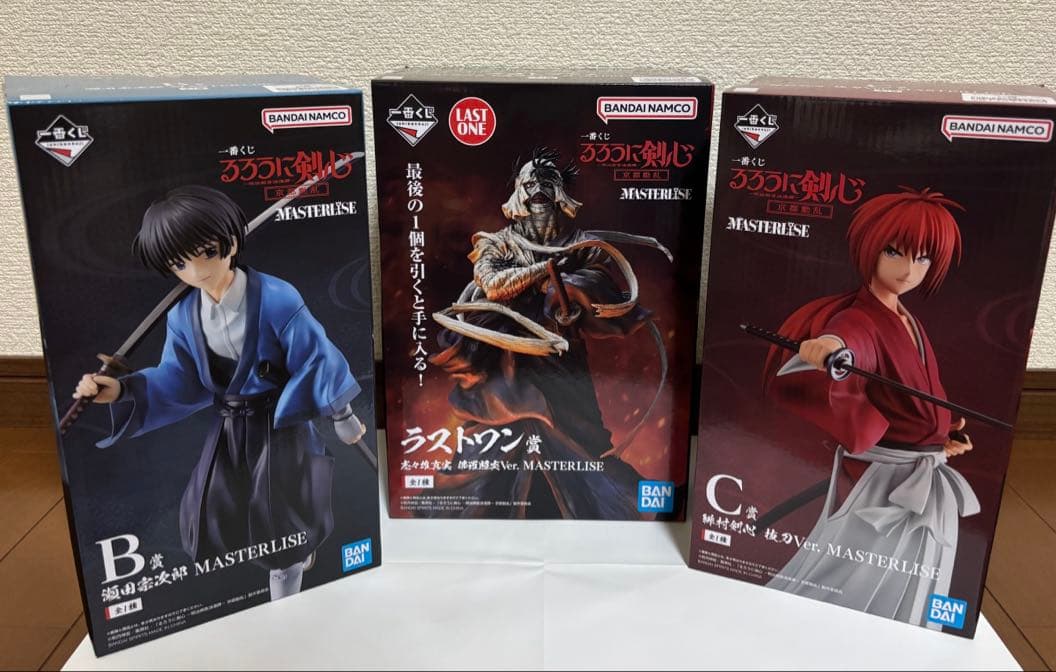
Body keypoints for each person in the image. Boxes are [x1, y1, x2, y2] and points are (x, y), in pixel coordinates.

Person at [73, 185, 366, 599]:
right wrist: (120, 391)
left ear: (230, 243)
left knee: (281, 513)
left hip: (280, 422)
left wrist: (343, 414)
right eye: (179, 263)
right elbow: (180, 377)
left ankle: (288, 583)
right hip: (231, 428)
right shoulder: (184, 315)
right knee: (211, 507)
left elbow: (317, 356)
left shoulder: (277, 298)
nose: (196, 270)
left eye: (207, 252)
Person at [761, 186, 980, 629]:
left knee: (908, 582)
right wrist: (828, 347)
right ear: (870, 249)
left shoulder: (906, 319)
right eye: (895, 252)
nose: (908, 270)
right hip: (883, 483)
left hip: (918, 472)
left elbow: (915, 393)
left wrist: (940, 435)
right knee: (849, 573)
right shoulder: (859, 318)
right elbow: (849, 341)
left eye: (923, 259)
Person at [428, 148, 669, 519]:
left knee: (583, 437)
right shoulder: (496, 242)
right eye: (530, 184)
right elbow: (492, 284)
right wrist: (545, 270)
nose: (538, 191)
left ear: (560, 193)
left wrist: (572, 293)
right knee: (495, 438)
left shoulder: (582, 244)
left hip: (562, 358)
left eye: (547, 183)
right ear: (518, 192)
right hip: (505, 361)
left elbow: (602, 285)